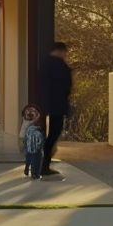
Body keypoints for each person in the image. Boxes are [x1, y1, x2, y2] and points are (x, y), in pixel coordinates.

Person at [38, 41, 73, 177]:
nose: (65, 55)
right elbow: (64, 86)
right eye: (64, 52)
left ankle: (42, 164)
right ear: (59, 51)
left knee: (48, 134)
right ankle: (45, 165)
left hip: (47, 103)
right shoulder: (58, 65)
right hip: (57, 103)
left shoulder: (44, 64)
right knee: (54, 133)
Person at [18, 104, 45, 179]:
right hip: (34, 141)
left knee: (29, 154)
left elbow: (22, 132)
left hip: (26, 138)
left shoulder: (25, 120)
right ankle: (34, 173)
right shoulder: (35, 126)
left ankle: (27, 166)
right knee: (36, 156)